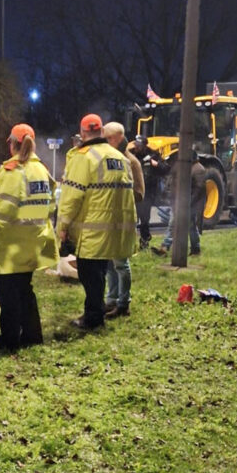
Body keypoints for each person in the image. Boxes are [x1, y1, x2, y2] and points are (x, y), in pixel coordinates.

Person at [56, 114, 137, 330]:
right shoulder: (120, 158)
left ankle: (93, 317)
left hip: (91, 230)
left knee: (89, 275)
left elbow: (71, 197)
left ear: (83, 133)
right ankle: (97, 311)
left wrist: (62, 227)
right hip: (114, 229)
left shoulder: (82, 158)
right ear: (101, 131)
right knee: (100, 272)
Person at [0, 123, 57, 351]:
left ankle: (9, 339)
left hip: (9, 245)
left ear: (13, 143)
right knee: (24, 289)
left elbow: (3, 214)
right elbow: (51, 206)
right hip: (32, 243)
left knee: (8, 294)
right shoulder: (41, 170)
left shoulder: (12, 172)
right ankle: (33, 335)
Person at [101, 122, 144, 319]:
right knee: (110, 263)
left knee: (121, 263)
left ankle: (123, 303)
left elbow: (140, 193)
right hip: (109, 218)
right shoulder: (110, 161)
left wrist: (120, 195)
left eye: (107, 139)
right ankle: (111, 299)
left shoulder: (131, 162)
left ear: (116, 139)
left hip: (122, 218)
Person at [153, 150, 205, 257]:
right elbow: (172, 180)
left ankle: (166, 247)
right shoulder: (184, 167)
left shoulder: (198, 169)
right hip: (179, 201)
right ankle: (194, 248)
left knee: (185, 225)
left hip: (188, 203)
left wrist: (189, 202)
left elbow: (198, 189)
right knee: (181, 225)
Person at [129, 136, 171, 250]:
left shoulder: (153, 155)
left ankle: (144, 241)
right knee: (131, 218)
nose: (136, 147)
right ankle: (129, 243)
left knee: (144, 219)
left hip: (146, 192)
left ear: (144, 146)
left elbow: (166, 169)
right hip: (131, 190)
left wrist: (156, 164)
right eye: (135, 145)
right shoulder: (130, 153)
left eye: (138, 146)